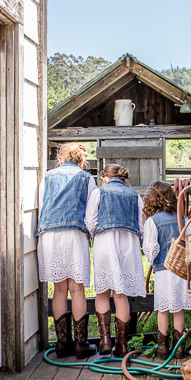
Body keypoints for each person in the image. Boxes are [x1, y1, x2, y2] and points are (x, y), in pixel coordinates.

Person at [37, 142, 96, 359]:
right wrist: (91, 235)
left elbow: (42, 204)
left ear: (59, 160)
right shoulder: (86, 178)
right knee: (77, 289)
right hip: (74, 233)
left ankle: (62, 344)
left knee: (59, 289)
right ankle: (81, 344)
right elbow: (91, 213)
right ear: (81, 162)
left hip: (50, 235)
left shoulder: (47, 176)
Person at [85, 164, 145, 357]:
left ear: (105, 178)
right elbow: (142, 224)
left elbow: (90, 221)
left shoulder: (99, 192)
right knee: (121, 294)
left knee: (103, 292)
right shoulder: (134, 195)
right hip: (129, 243)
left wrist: (98, 236)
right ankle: (122, 346)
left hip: (105, 241)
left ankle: (104, 341)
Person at [142, 181, 191, 359]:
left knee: (163, 310)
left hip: (163, 271)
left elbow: (151, 249)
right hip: (181, 272)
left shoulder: (153, 221)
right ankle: (179, 349)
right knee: (178, 309)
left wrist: (154, 259)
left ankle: (162, 349)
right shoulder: (183, 219)